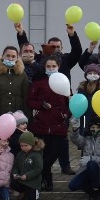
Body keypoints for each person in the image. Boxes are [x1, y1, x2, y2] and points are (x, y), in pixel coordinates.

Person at [16, 22, 82, 175]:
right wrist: (21, 34)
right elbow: (26, 49)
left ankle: (65, 166)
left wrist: (72, 34)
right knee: (45, 147)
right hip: (44, 117)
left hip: (60, 113)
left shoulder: (65, 60)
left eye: (57, 46)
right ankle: (45, 176)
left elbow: (77, 51)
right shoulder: (41, 61)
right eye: (51, 46)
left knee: (61, 144)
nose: (54, 49)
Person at [27, 56, 70, 192]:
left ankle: (40, 175)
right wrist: (41, 104)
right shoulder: (39, 83)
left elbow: (70, 102)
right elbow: (30, 101)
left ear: (58, 67)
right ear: (44, 68)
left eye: (54, 66)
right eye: (48, 67)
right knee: (43, 154)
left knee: (54, 153)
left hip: (59, 127)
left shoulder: (64, 81)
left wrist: (66, 114)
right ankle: (48, 181)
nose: (51, 69)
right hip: (41, 126)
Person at [67, 118, 100, 200]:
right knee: (72, 186)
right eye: (93, 127)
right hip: (86, 170)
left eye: (97, 127)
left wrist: (91, 158)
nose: (95, 129)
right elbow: (76, 139)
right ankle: (92, 191)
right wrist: (75, 129)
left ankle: (96, 188)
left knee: (92, 164)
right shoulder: (86, 140)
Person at [0, 46, 29, 129]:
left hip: (17, 118)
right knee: (1, 141)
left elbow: (26, 97)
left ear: (17, 58)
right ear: (2, 56)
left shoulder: (22, 74)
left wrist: (27, 115)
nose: (10, 59)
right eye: (8, 56)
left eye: (13, 56)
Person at [12, 131, 44, 200]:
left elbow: (38, 169)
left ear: (32, 144)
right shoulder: (20, 154)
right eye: (21, 146)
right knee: (12, 183)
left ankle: (33, 192)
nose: (23, 148)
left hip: (33, 183)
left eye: (26, 146)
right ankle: (24, 191)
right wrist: (15, 173)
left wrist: (27, 176)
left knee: (32, 199)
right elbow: (16, 166)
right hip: (21, 180)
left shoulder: (36, 155)